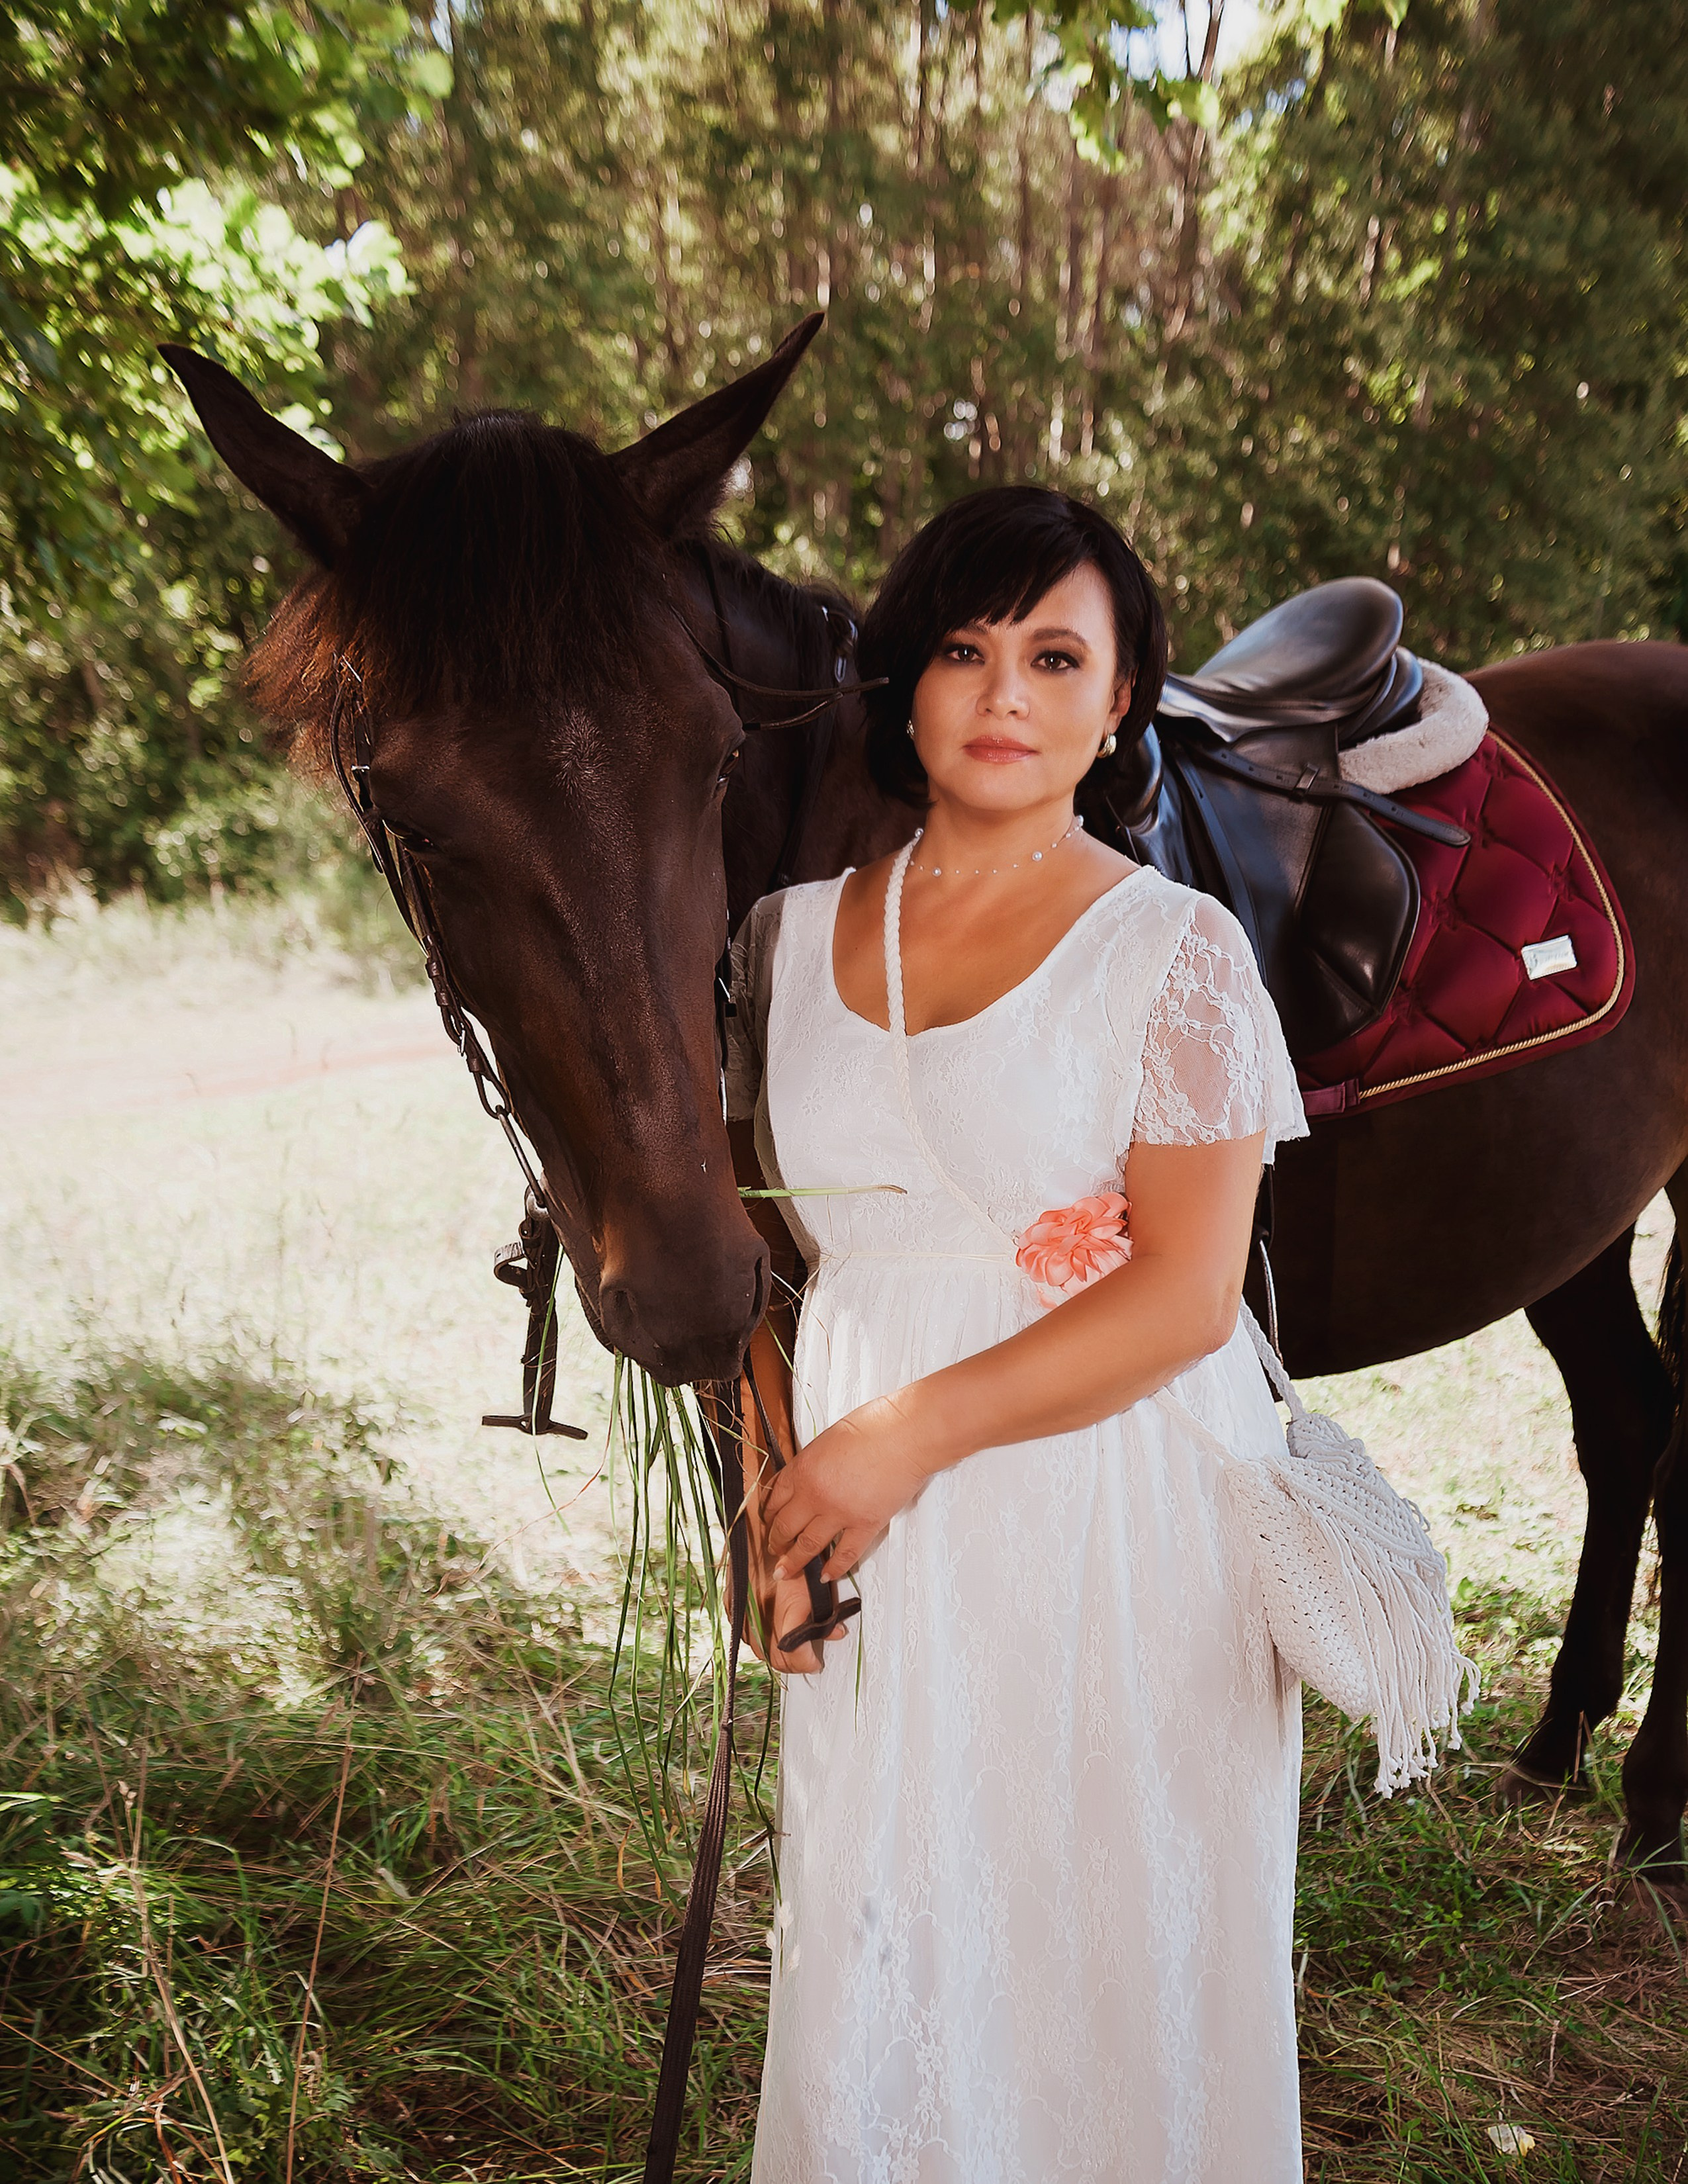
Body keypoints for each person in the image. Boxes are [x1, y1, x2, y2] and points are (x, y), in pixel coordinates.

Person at [724, 485, 1308, 2184]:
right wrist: (781, 1499)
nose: (1006, 694)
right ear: (906, 684)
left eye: (1058, 658)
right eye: (967, 651)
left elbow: (1187, 1296)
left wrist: (895, 1438)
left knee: (1112, 1933)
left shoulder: (1176, 950)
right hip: (856, 1507)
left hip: (1115, 1511)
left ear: (1118, 702)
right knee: (882, 1917)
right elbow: (765, 1268)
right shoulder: (777, 944)